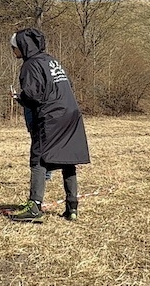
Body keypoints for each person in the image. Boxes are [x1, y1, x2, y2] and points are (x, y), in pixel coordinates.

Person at [8, 27, 90, 222]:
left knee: (39, 159)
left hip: (51, 117)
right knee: (68, 159)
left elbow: (33, 95)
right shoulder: (51, 60)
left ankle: (34, 206)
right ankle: (72, 207)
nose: (13, 51)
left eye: (13, 47)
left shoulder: (30, 65)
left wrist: (19, 97)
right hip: (71, 113)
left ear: (22, 46)